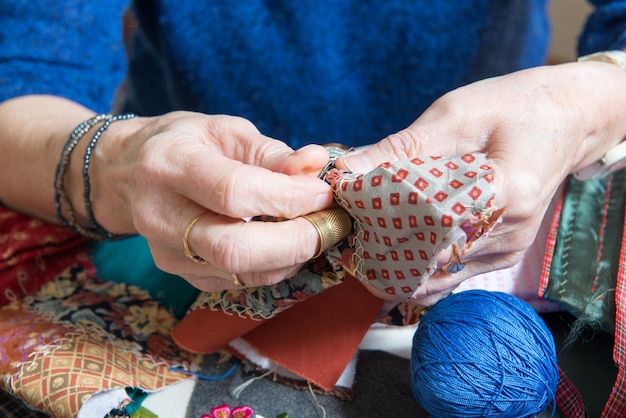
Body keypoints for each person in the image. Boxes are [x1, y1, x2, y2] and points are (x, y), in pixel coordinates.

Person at [1, 0, 626, 308]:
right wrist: (120, 164)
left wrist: (581, 105)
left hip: (497, 221)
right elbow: (19, 76)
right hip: (178, 239)